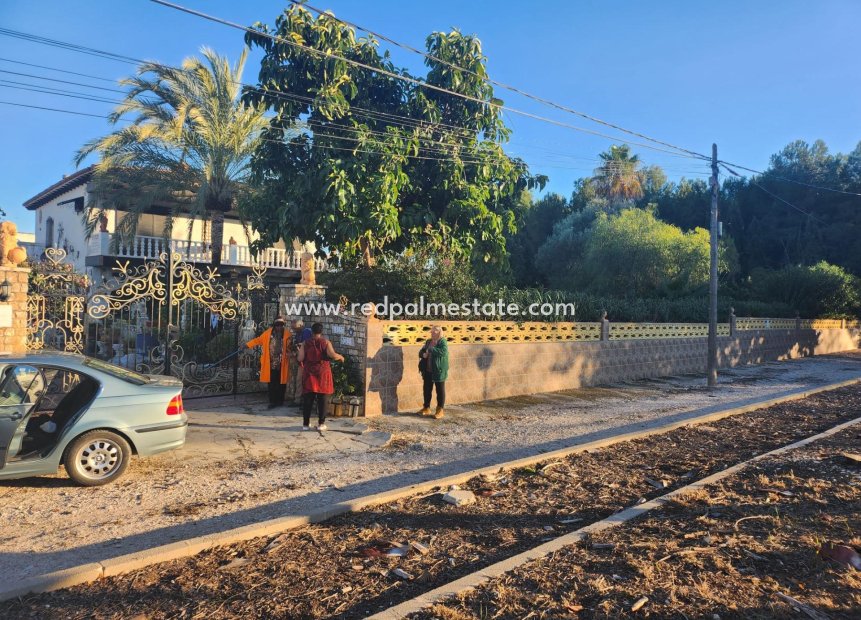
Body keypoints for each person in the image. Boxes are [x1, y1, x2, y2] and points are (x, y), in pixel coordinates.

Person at [297, 322, 344, 431]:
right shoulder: (326, 342)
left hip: (309, 373)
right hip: (322, 373)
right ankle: (321, 424)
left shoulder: (305, 343)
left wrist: (299, 350)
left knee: (308, 399)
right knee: (322, 399)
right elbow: (332, 355)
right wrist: (341, 357)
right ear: (321, 331)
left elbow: (300, 359)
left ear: (312, 331)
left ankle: (305, 424)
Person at [245, 317, 292, 408]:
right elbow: (258, 340)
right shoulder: (268, 333)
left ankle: (280, 401)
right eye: (277, 325)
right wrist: (248, 345)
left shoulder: (287, 334)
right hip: (270, 363)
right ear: (274, 326)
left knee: (281, 384)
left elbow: (290, 347)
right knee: (272, 383)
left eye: (281, 325)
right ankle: (272, 402)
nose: (279, 327)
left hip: (282, 364)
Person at [418, 326, 449, 419]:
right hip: (427, 370)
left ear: (438, 333)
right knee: (427, 390)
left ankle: (440, 410)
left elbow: (443, 352)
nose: (431, 333)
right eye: (431, 332)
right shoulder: (428, 341)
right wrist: (423, 354)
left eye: (433, 332)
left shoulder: (442, 341)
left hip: (438, 370)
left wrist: (431, 350)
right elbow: (421, 351)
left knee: (440, 391)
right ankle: (426, 408)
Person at [288, 319, 313, 404]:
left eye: (295, 328)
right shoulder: (299, 333)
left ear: (301, 325)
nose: (294, 330)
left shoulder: (306, 332)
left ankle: (299, 400)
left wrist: (295, 352)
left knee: (300, 380)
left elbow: (304, 346)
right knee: (299, 380)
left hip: (306, 361)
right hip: (301, 361)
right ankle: (298, 399)